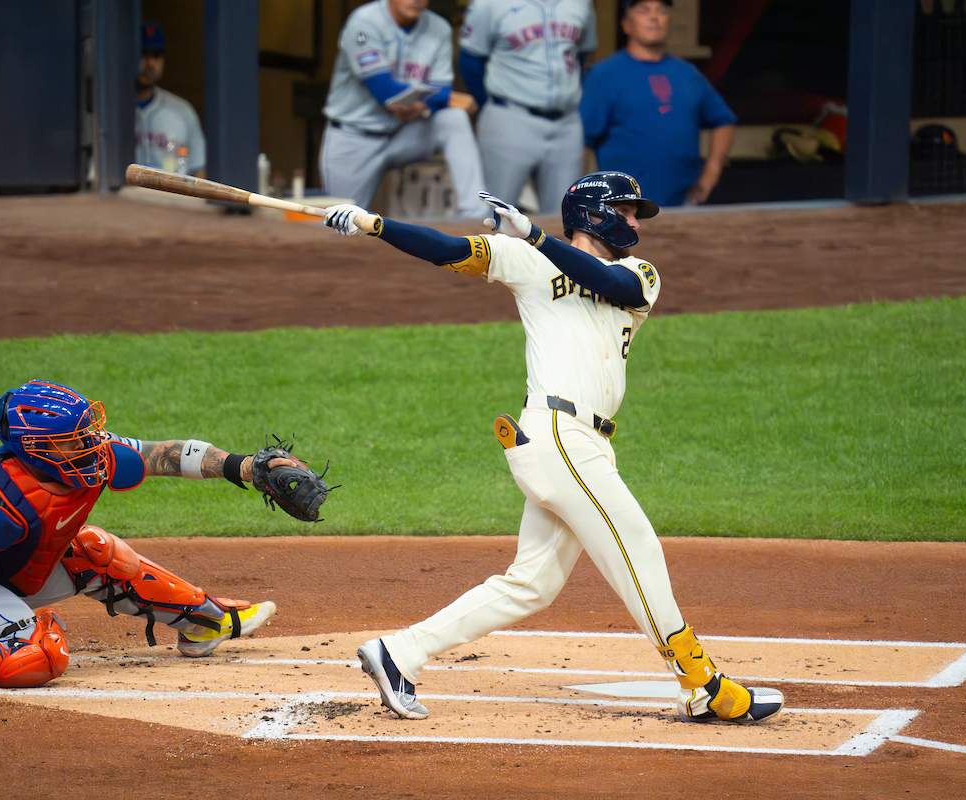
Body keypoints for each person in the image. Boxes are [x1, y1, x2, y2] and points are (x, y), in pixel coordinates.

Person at [321, 173, 784, 724]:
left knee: (532, 583)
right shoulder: (525, 260)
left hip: (585, 443)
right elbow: (447, 250)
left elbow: (614, 288)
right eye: (627, 210)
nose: (635, 222)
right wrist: (374, 225)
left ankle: (399, 653)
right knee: (638, 547)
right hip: (558, 434)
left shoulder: (638, 273)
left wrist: (538, 238)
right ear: (594, 214)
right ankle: (703, 685)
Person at [0, 380, 328, 688]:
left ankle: (204, 622)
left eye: (89, 431)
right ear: (38, 446)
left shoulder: (87, 453)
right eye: (75, 438)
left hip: (21, 572)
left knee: (97, 550)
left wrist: (246, 467)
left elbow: (169, 454)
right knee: (36, 659)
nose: (92, 443)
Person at [320, 0, 486, 217]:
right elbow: (386, 92)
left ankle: (475, 215)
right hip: (354, 137)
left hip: (404, 133)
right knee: (341, 222)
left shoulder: (439, 28)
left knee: (453, 118)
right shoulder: (364, 21)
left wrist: (425, 103)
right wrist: (445, 98)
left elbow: (437, 90)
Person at [580, 0, 736, 207]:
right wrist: (581, 200)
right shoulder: (603, 75)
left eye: (661, 11)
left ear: (669, 21)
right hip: (623, 208)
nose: (654, 17)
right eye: (644, 11)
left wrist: (711, 173)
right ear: (626, 24)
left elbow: (723, 120)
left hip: (684, 206)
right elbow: (580, 141)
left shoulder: (687, 73)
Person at [459, 0, 597, 214]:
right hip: (510, 118)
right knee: (495, 218)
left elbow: (580, 55)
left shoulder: (581, 3)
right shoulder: (488, 4)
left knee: (566, 220)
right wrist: (495, 104)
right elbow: (470, 61)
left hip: (567, 123)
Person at [135, 21, 206, 176]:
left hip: (172, 199)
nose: (150, 63)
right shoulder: (107, 112)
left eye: (157, 55)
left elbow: (198, 173)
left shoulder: (182, 111)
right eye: (144, 53)